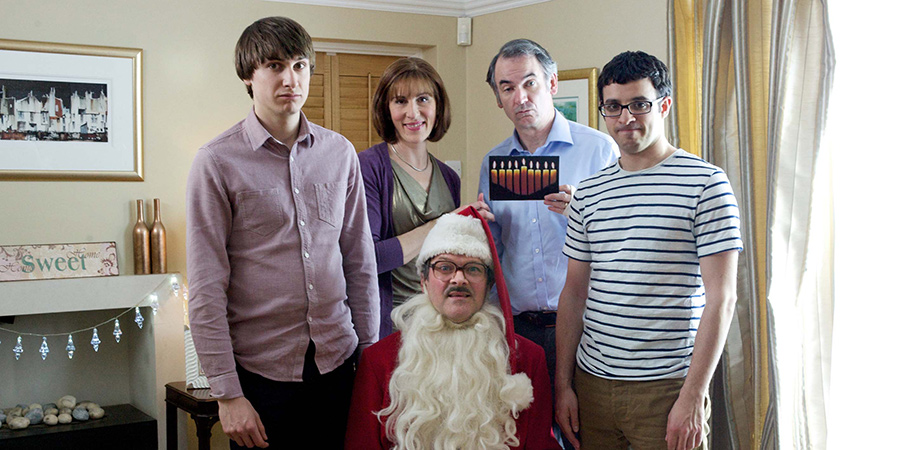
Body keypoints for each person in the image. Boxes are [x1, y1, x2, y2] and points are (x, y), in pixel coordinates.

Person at [185, 17, 378, 449]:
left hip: (339, 362)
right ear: (248, 77)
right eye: (274, 65)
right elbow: (206, 286)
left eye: (300, 65)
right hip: (262, 375)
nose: (290, 78)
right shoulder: (216, 162)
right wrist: (227, 394)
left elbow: (359, 261)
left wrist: (369, 351)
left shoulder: (340, 152)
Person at [555, 51, 743, 450]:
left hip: (667, 389)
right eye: (614, 107)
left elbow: (722, 299)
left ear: (664, 105)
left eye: (640, 104)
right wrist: (563, 386)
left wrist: (693, 396)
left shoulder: (706, 184)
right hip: (593, 384)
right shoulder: (587, 194)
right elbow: (573, 293)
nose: (626, 118)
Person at [478, 38, 619, 447]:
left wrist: (586, 212)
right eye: (507, 88)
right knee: (526, 439)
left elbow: (624, 241)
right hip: (519, 331)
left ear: (552, 83)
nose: (520, 97)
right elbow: (497, 250)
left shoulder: (597, 150)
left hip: (586, 328)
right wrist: (481, 227)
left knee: (585, 437)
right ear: (498, 99)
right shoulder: (494, 163)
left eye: (529, 83)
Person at [346, 209, 561, 449]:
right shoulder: (378, 361)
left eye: (473, 269)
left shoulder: (529, 359)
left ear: (489, 283)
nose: (459, 279)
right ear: (424, 281)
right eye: (445, 268)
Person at [360, 57, 492, 339]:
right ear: (386, 108)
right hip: (391, 324)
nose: (413, 112)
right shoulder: (368, 168)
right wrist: (447, 221)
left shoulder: (448, 177)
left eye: (423, 99)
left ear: (437, 106)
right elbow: (369, 258)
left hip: (442, 324)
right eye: (400, 101)